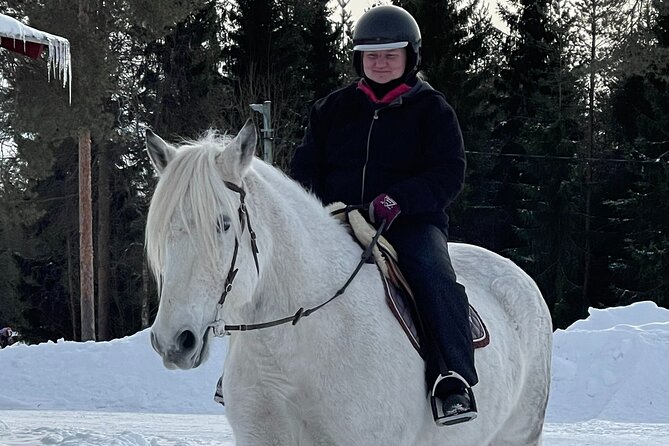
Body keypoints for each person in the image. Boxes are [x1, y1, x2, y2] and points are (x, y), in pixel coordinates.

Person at [291, 5, 478, 426]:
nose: (380, 62)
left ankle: (452, 377)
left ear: (410, 57)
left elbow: (449, 173)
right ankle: (244, 373)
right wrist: (315, 207)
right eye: (371, 55)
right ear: (357, 58)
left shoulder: (432, 110)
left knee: (433, 274)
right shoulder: (331, 109)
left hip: (408, 222)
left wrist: (400, 200)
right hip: (333, 220)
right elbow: (305, 169)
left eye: (391, 54)